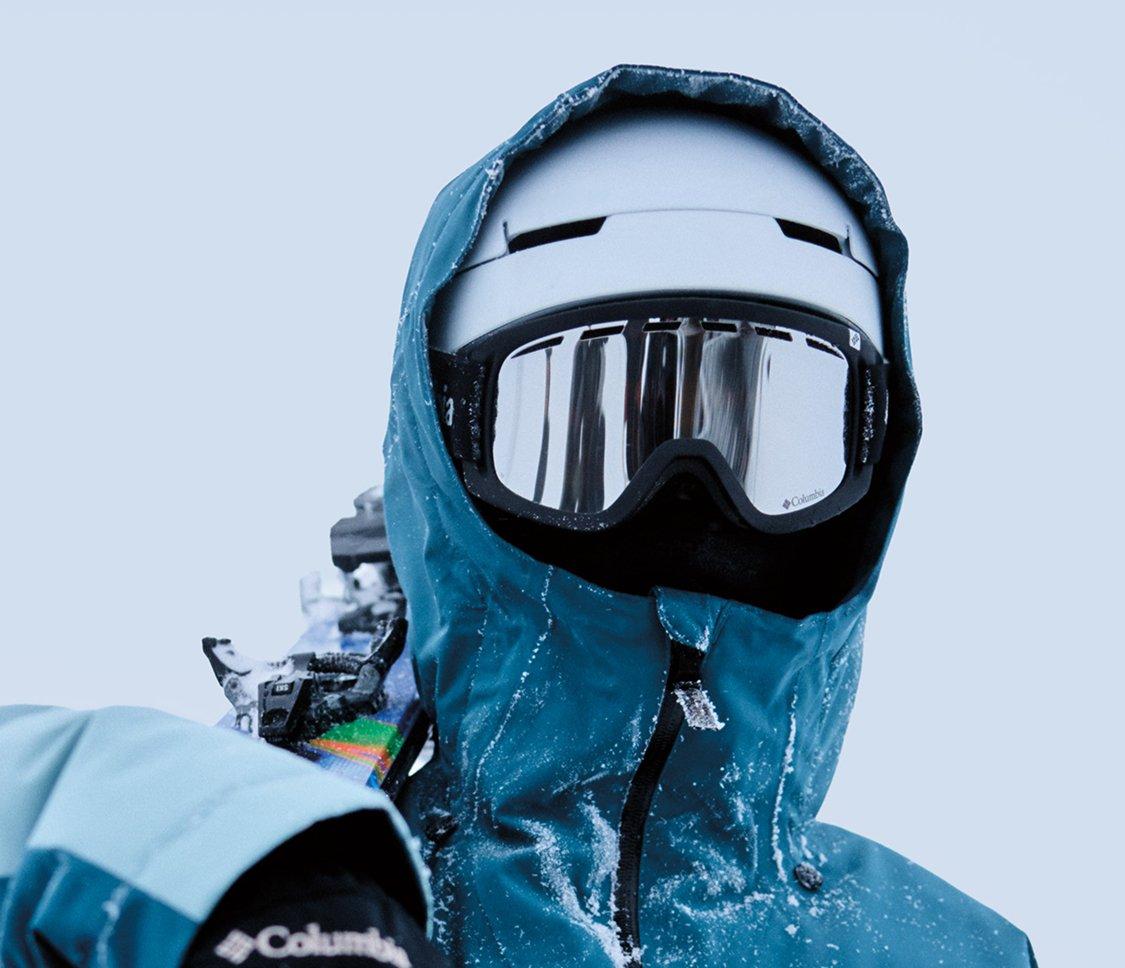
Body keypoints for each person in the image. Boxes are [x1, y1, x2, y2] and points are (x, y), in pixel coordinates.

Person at [0, 65, 1035, 967]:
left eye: (770, 431)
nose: (688, 489)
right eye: (581, 426)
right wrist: (217, 862)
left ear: (875, 451)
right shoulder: (298, 881)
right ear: (447, 443)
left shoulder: (955, 949)